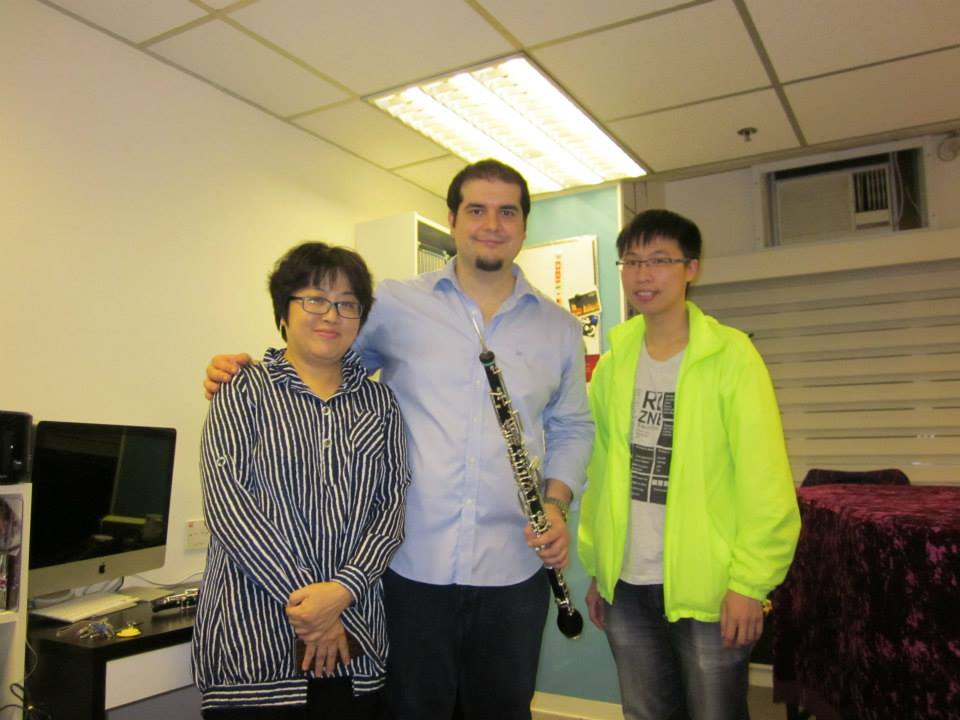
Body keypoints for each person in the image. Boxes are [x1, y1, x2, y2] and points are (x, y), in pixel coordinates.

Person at [203, 160, 594, 720]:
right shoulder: (394, 304)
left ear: (524, 225)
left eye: (507, 211)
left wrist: (555, 503)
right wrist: (245, 371)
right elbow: (326, 363)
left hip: (513, 565)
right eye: (476, 210)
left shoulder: (558, 327)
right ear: (453, 220)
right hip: (410, 567)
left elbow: (572, 426)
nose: (492, 224)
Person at [578, 209, 801, 720]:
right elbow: (602, 474)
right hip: (627, 585)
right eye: (632, 261)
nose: (643, 274)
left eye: (660, 260)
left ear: (691, 269)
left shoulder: (731, 356)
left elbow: (764, 478)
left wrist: (750, 584)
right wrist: (599, 570)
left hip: (711, 588)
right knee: (645, 714)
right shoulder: (613, 364)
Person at [193, 242, 410, 719]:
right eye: (314, 299)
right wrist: (312, 608)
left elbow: (391, 511)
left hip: (354, 641)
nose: (331, 315)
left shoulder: (380, 405)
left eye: (347, 303)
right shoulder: (242, 390)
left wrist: (341, 592)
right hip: (254, 647)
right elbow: (229, 507)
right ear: (284, 310)